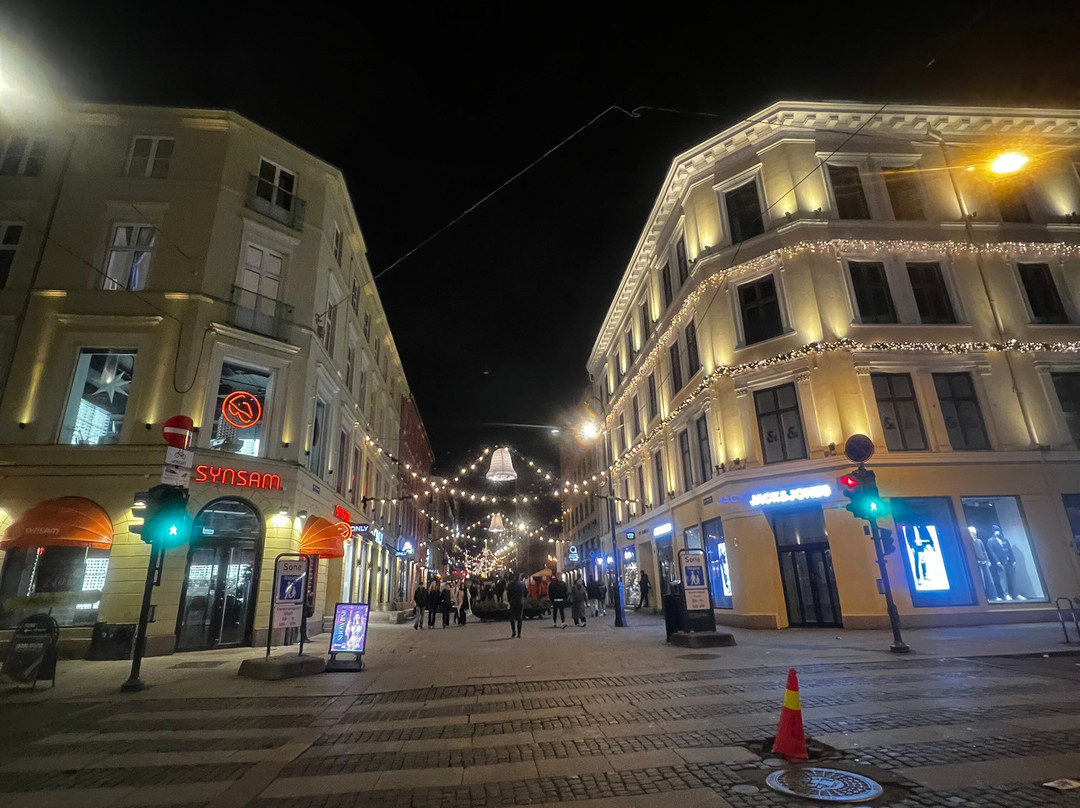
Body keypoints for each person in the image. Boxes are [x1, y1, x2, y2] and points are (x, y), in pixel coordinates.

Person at [507, 573, 527, 638]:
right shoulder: (522, 585)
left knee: (512, 617)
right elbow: (526, 593)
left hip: (513, 601)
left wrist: (509, 600)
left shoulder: (510, 585)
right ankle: (519, 633)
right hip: (520, 601)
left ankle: (513, 631)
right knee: (520, 617)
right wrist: (523, 598)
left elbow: (508, 594)